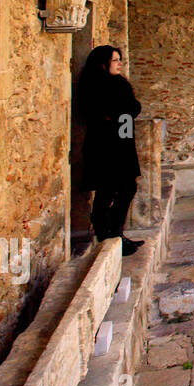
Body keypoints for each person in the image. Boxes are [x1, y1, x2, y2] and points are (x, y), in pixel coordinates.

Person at [77, 45, 143, 256]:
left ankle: (115, 233)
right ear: (103, 63)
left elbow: (133, 109)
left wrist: (119, 111)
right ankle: (107, 235)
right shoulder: (94, 86)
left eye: (119, 59)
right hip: (104, 146)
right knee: (107, 191)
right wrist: (118, 111)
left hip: (122, 142)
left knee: (127, 188)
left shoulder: (119, 84)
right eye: (115, 60)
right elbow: (100, 113)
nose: (119, 63)